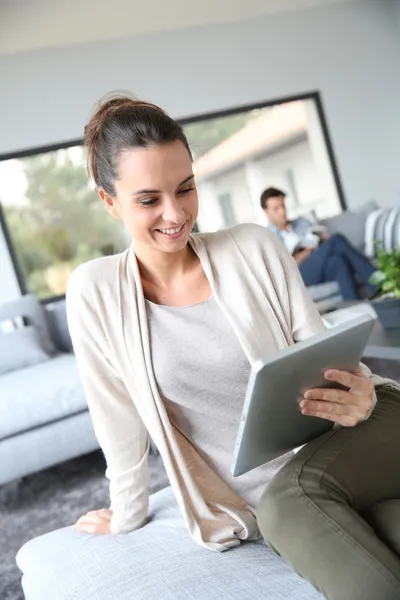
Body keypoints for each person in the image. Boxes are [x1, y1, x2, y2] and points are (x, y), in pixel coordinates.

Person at [66, 94, 400, 600]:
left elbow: (327, 363)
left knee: (288, 504)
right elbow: (117, 417)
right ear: (109, 201)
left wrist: (361, 397)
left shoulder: (254, 247)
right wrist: (126, 513)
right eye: (149, 199)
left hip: (362, 428)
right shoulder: (95, 292)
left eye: (186, 188)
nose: (176, 214)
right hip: (311, 488)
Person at [260, 187, 378, 300]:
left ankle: (355, 306)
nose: (282, 212)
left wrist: (322, 240)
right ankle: (378, 284)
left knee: (338, 260)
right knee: (337, 240)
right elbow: (284, 267)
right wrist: (307, 251)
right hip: (300, 273)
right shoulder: (268, 238)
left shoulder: (301, 223)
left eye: (283, 206)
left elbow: (318, 237)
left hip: (320, 262)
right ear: (266, 211)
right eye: (276, 208)